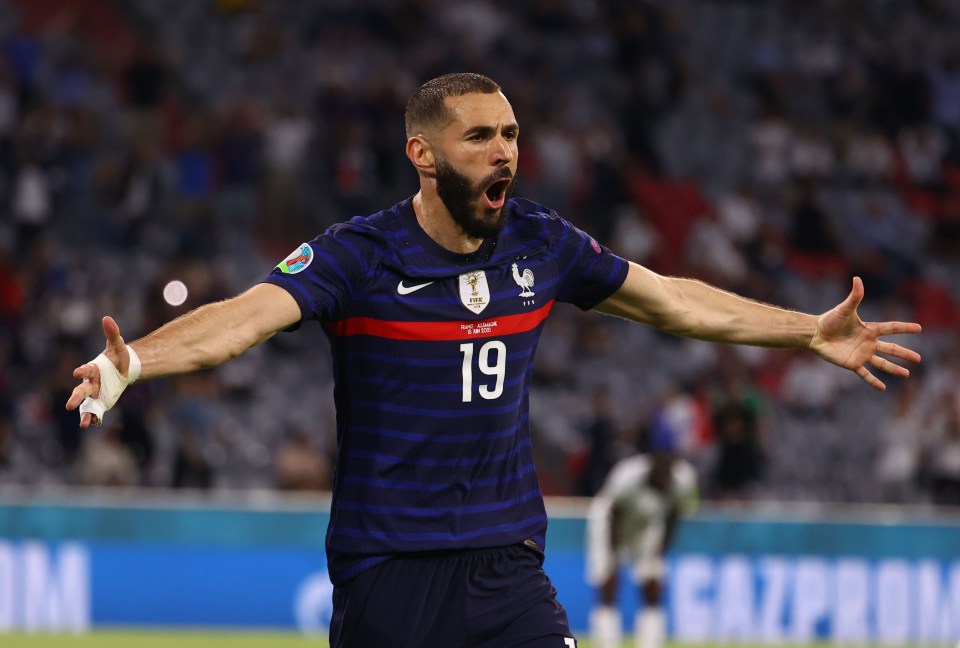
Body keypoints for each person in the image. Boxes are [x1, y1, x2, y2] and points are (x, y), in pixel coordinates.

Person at [66, 72, 922, 647]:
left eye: (511, 134)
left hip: (507, 565)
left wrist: (806, 329)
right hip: (388, 577)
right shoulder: (359, 257)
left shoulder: (545, 244)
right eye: (479, 137)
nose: (505, 151)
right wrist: (132, 362)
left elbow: (675, 300)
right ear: (423, 154)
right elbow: (243, 321)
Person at [585, 432, 698, 648]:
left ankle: (650, 642)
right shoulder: (627, 475)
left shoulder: (684, 479)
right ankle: (607, 642)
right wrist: (612, 558)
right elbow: (614, 515)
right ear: (652, 470)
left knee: (653, 584)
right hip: (608, 524)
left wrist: (659, 552)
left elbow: (675, 515)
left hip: (647, 525)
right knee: (608, 583)